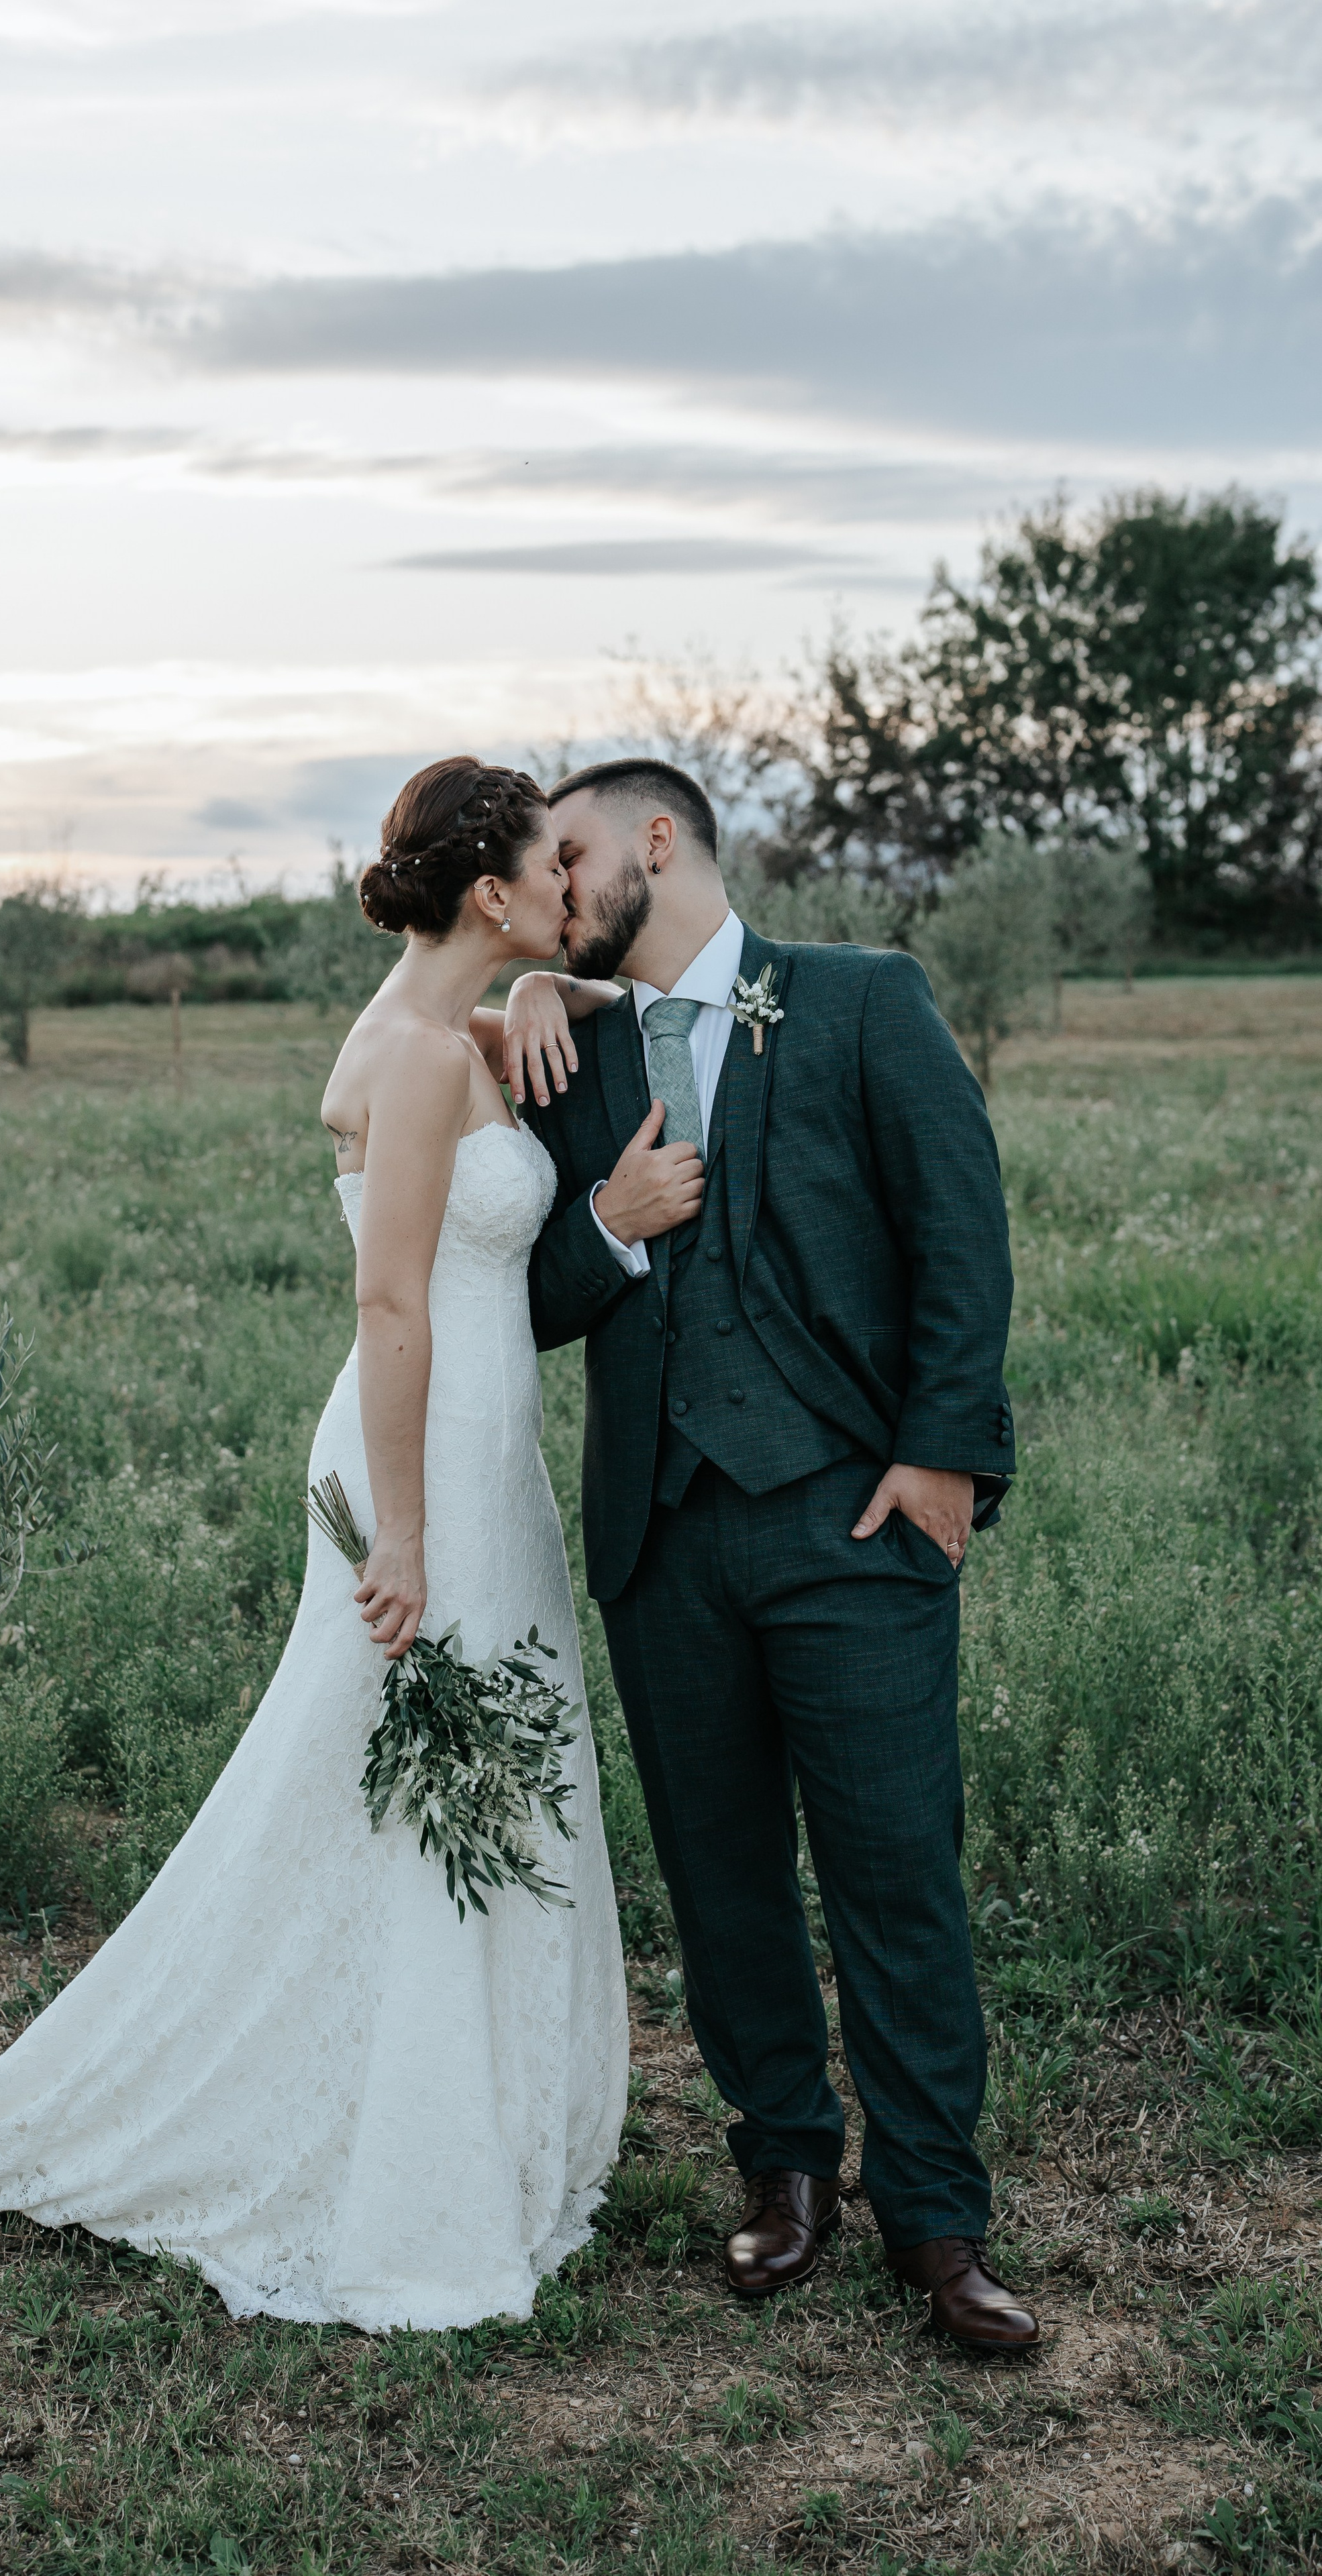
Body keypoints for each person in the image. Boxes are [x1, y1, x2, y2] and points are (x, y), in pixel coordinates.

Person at [0, 757, 629, 2334]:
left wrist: (545, 990)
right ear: (490, 888)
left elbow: (538, 1030)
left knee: (448, 1782)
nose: (574, 886)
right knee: (398, 1791)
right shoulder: (411, 1053)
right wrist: (399, 1532)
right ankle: (384, 2153)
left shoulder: (438, 1023)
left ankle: (462, 2110)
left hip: (476, 1448)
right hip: (423, 1462)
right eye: (552, 869)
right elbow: (391, 1305)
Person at [495, 757, 1037, 2355]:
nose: (553, 890)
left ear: (656, 843)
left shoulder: (860, 1001)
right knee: (721, 1879)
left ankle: (936, 2219)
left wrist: (941, 1453)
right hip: (661, 1533)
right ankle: (783, 2168)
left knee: (893, 1874)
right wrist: (602, 1220)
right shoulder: (566, 1044)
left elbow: (960, 1225)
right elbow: (514, 1298)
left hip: (848, 1522)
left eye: (571, 857)